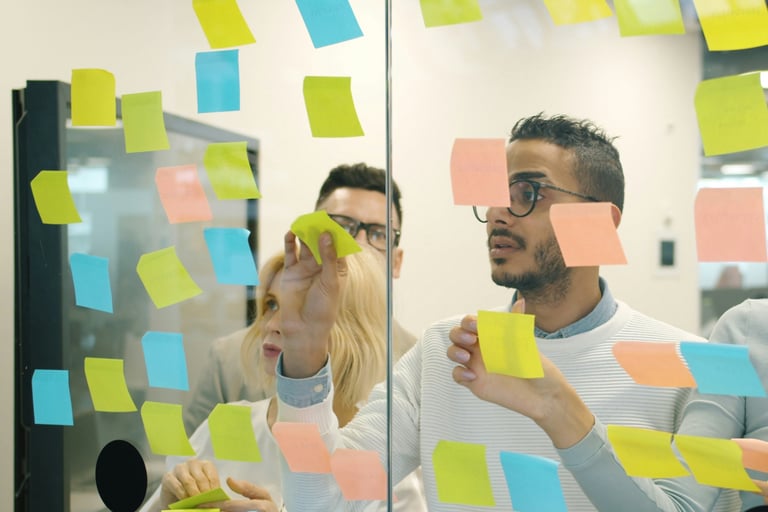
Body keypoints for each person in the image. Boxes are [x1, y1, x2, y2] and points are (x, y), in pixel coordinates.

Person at [272, 113, 739, 511]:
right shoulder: (444, 352)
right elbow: (322, 501)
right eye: (495, 193)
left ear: (600, 221)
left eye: (528, 192)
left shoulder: (686, 366)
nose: (498, 212)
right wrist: (305, 348)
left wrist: (560, 410)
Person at [140, 249, 426, 512]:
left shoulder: (387, 456)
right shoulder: (228, 423)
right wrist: (166, 504)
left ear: (354, 330)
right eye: (272, 304)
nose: (273, 325)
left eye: (302, 309)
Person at [182, 163, 415, 433]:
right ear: (310, 238)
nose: (356, 246)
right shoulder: (229, 361)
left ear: (397, 262)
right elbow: (187, 457)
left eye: (379, 234)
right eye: (340, 227)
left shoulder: (415, 365)